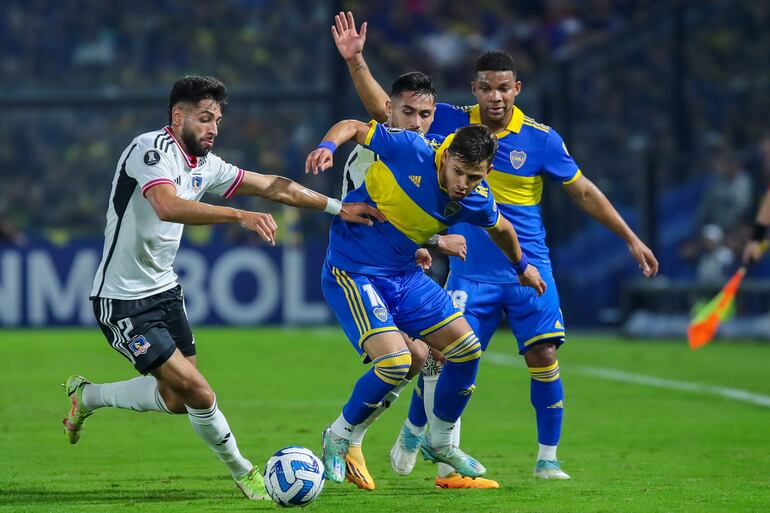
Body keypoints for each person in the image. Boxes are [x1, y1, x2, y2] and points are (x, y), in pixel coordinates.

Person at [332, 12, 659, 483]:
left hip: (526, 264)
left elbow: (582, 191)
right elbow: (390, 111)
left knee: (543, 355)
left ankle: (547, 458)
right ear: (475, 89)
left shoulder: (542, 140)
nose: (495, 96)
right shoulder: (451, 123)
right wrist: (357, 61)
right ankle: (423, 436)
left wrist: (630, 237)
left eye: (503, 88)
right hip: (471, 268)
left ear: (517, 89)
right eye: (486, 88)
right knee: (449, 356)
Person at [62, 75, 383, 501]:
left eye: (217, 119)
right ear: (178, 117)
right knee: (200, 391)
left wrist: (338, 207)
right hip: (121, 300)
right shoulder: (151, 150)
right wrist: (238, 216)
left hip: (164, 291)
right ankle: (246, 473)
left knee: (178, 399)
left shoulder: (205, 165)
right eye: (204, 118)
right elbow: (166, 205)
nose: (213, 127)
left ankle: (87, 396)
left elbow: (272, 185)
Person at [304, 119, 546, 486]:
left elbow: (503, 229)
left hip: (404, 275)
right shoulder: (411, 149)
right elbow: (353, 126)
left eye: (475, 177)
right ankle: (338, 435)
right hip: (353, 270)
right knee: (397, 361)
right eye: (459, 172)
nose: (464, 185)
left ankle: (441, 443)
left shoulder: (476, 199)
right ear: (445, 156)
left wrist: (522, 266)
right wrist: (326, 146)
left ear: (488, 171)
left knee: (467, 348)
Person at [336, 66, 470, 490]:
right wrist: (429, 244)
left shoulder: (425, 150)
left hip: (401, 268)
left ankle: (439, 461)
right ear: (389, 114)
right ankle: (354, 437)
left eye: (425, 115)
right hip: (367, 270)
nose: (417, 123)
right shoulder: (373, 155)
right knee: (409, 359)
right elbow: (371, 216)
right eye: (407, 113)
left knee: (437, 355)